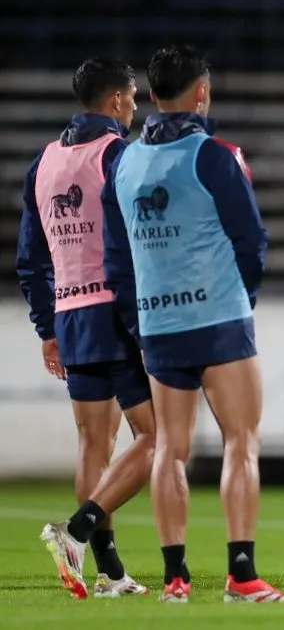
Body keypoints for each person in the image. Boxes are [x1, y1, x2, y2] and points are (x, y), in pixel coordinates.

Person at [102, 43, 284, 603]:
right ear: (202, 91)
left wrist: (138, 320)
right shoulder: (213, 155)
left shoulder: (123, 160)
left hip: (158, 325)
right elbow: (252, 240)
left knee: (169, 448)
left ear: (153, 95)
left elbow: (117, 257)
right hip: (217, 319)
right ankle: (241, 575)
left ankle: (174, 579)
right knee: (242, 442)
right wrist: (241, 298)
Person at [17, 57, 154, 600]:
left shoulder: (45, 161)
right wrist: (140, 321)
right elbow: (130, 245)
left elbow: (31, 256)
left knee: (93, 444)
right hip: (114, 311)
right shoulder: (118, 154)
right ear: (118, 101)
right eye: (133, 99)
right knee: (158, 438)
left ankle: (110, 573)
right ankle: (76, 531)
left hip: (70, 314)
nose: (136, 107)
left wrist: (47, 326)